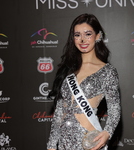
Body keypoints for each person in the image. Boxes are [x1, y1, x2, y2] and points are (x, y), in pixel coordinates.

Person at [47, 13, 121, 150]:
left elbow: (114, 109)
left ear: (98, 36)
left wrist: (107, 132)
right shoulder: (67, 69)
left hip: (88, 141)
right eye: (77, 35)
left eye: (87, 34)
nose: (82, 40)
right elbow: (59, 112)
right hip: (64, 143)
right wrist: (51, 145)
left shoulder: (108, 71)